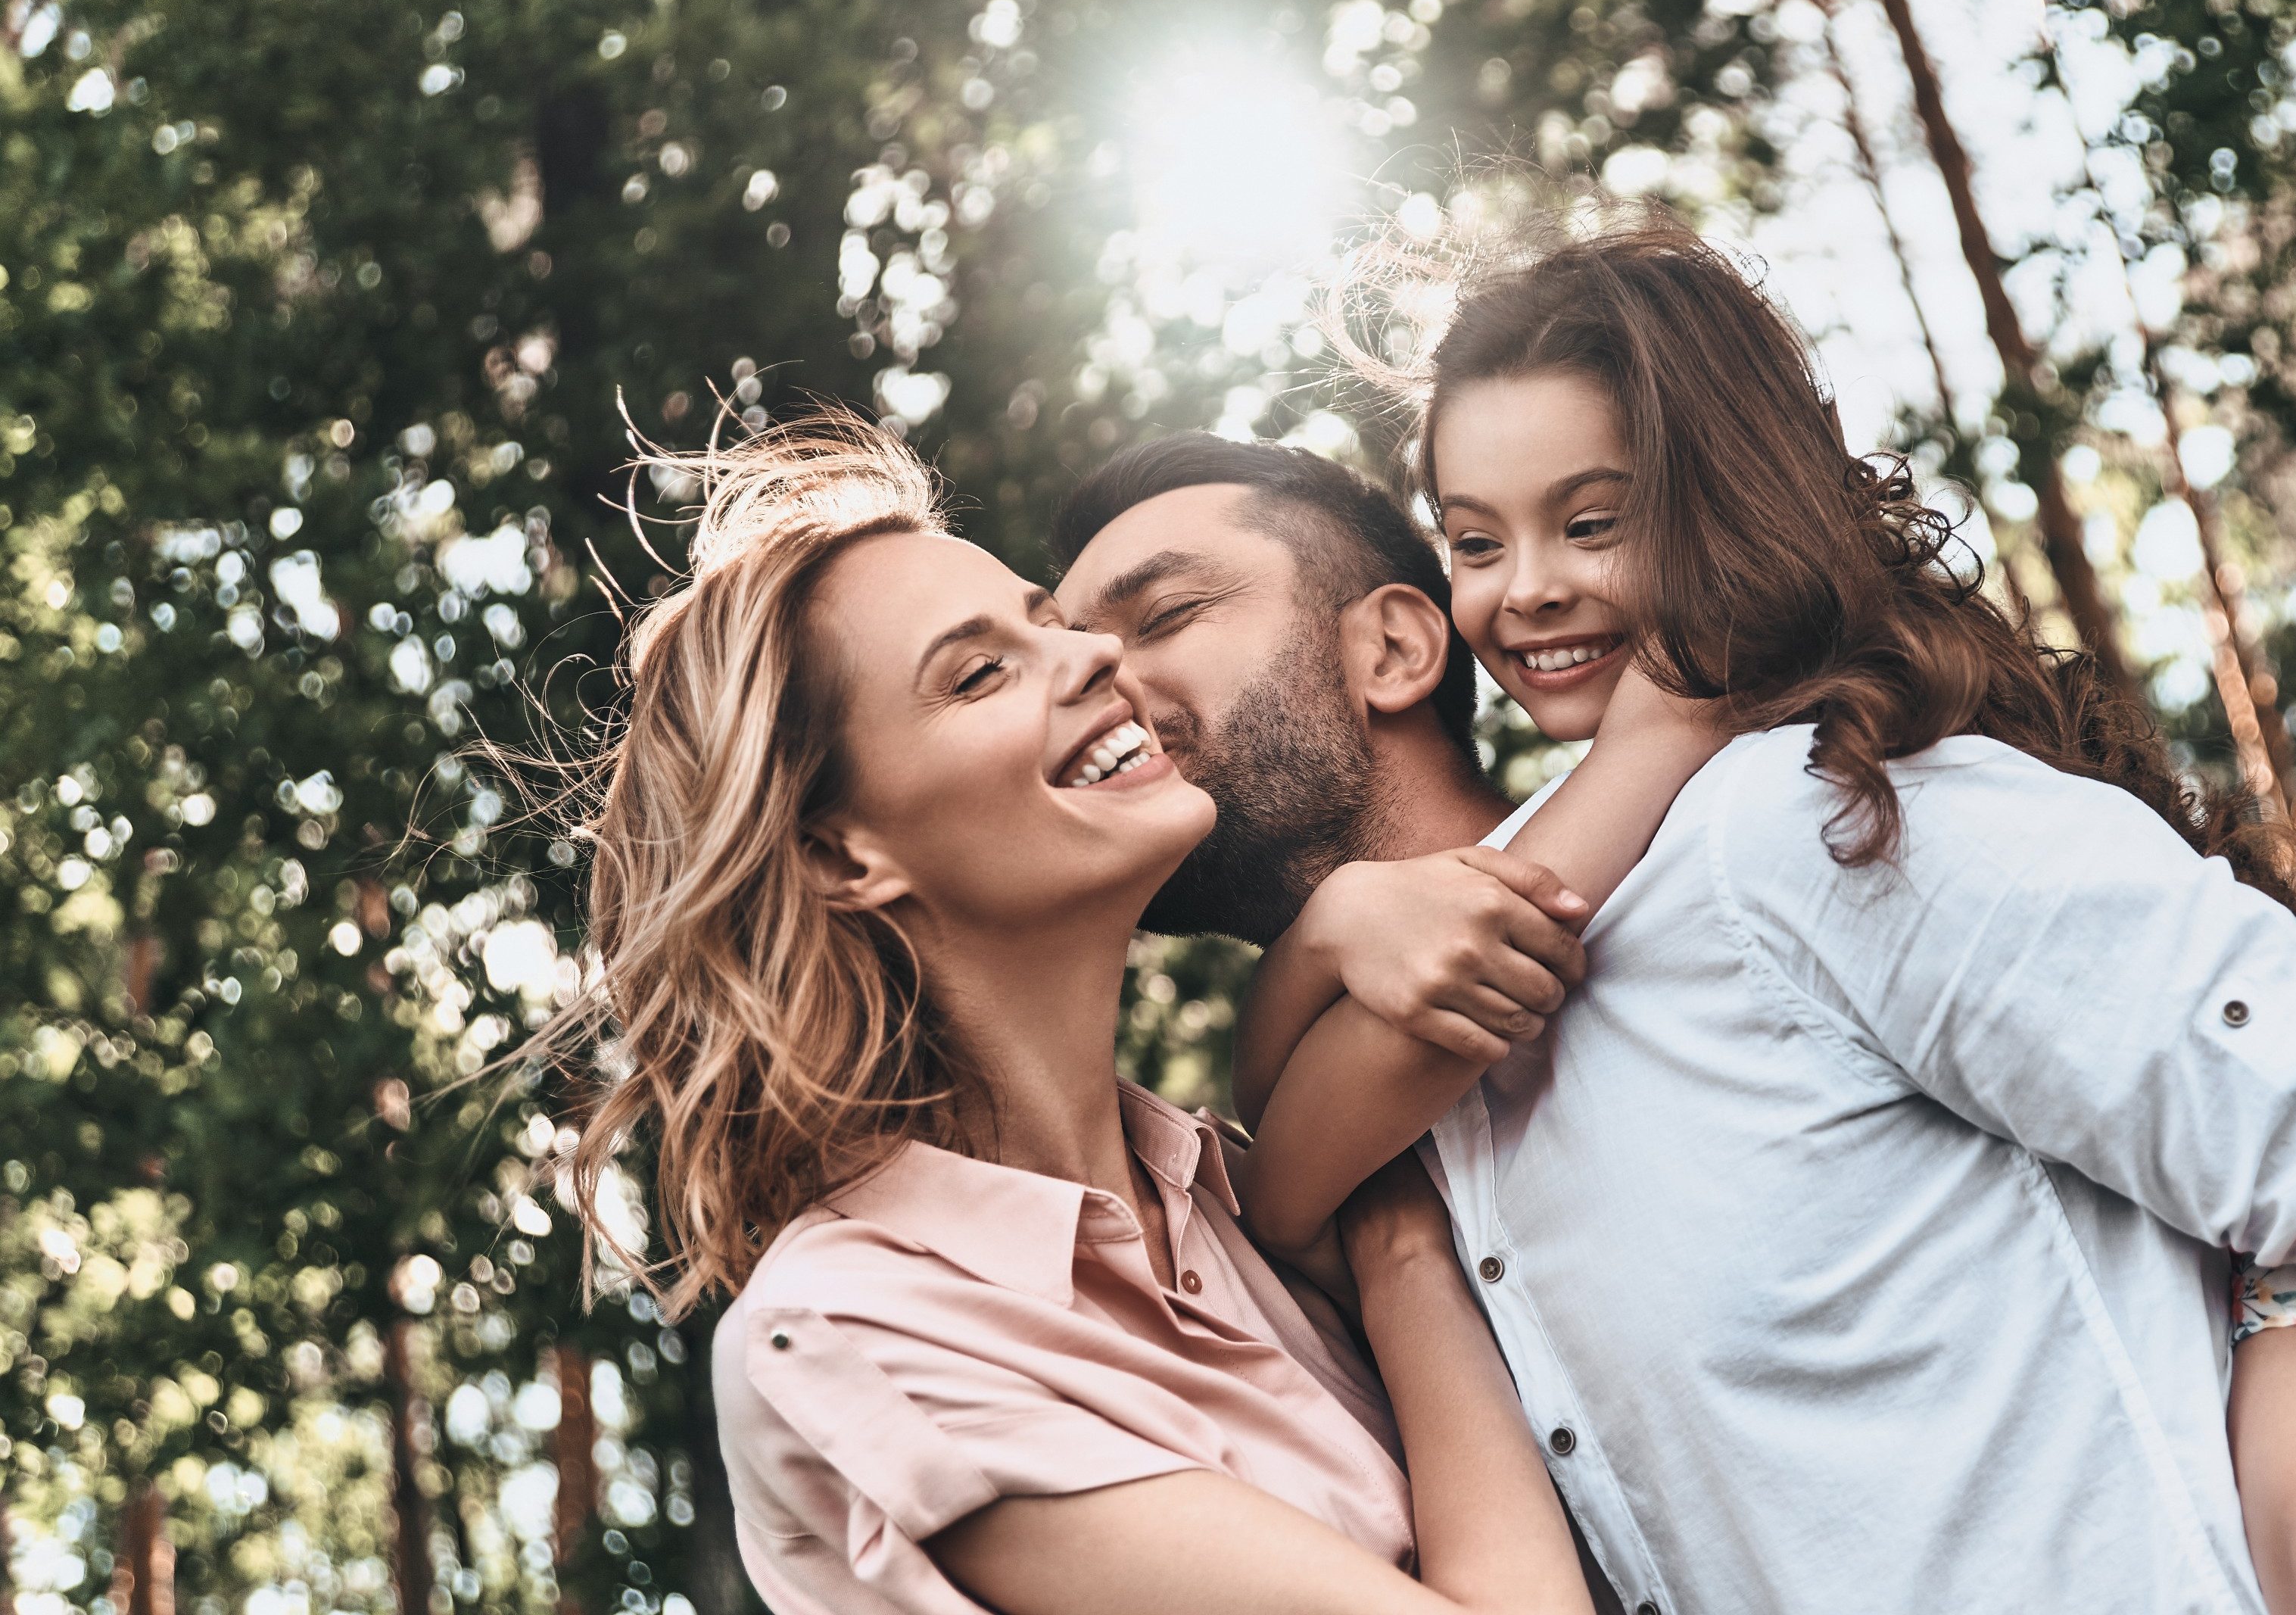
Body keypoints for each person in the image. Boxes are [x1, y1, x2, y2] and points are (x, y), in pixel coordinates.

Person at [1050, 224, 2296, 1614]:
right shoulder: (1361, 1146)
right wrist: (1340, 942)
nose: (1088, 684)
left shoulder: (1801, 827)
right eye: (1486, 540)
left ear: (1400, 650)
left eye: (1161, 616)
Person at [522, 415, 1603, 1615]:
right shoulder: (855, 1335)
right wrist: (1399, 1247)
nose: (1097, 662)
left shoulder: (1236, 1205)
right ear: (841, 855)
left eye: (1053, 627)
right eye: (981, 672)